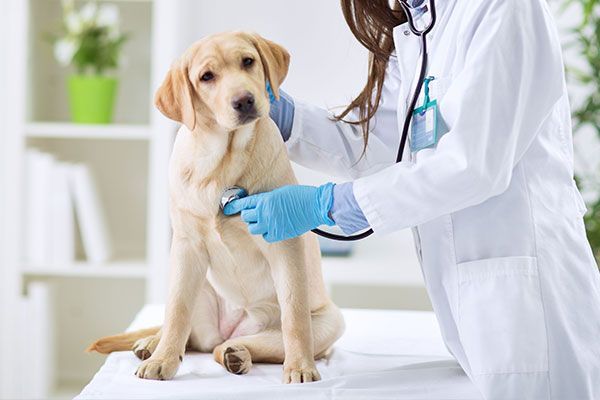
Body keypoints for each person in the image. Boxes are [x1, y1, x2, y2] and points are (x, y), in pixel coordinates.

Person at [224, 0, 600, 398]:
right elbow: (386, 146)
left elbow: (472, 165)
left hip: (531, 311)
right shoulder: (420, 29)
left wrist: (329, 205)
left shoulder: (504, 9)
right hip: (481, 315)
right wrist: (285, 116)